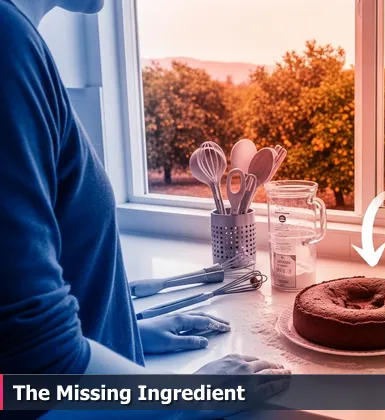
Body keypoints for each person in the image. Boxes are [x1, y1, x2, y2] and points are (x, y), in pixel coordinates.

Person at [0, 0, 289, 417]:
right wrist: (187, 397)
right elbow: (39, 368)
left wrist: (120, 331)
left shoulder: (19, 40)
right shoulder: (8, 44)